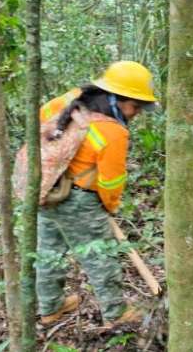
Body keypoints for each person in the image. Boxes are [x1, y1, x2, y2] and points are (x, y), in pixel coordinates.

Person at [36, 61, 157, 326]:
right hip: (79, 199)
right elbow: (112, 181)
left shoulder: (69, 99)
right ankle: (115, 314)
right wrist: (109, 207)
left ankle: (50, 308)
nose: (136, 113)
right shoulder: (113, 131)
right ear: (116, 98)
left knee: (48, 252)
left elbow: (41, 120)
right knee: (100, 257)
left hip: (46, 188)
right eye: (135, 106)